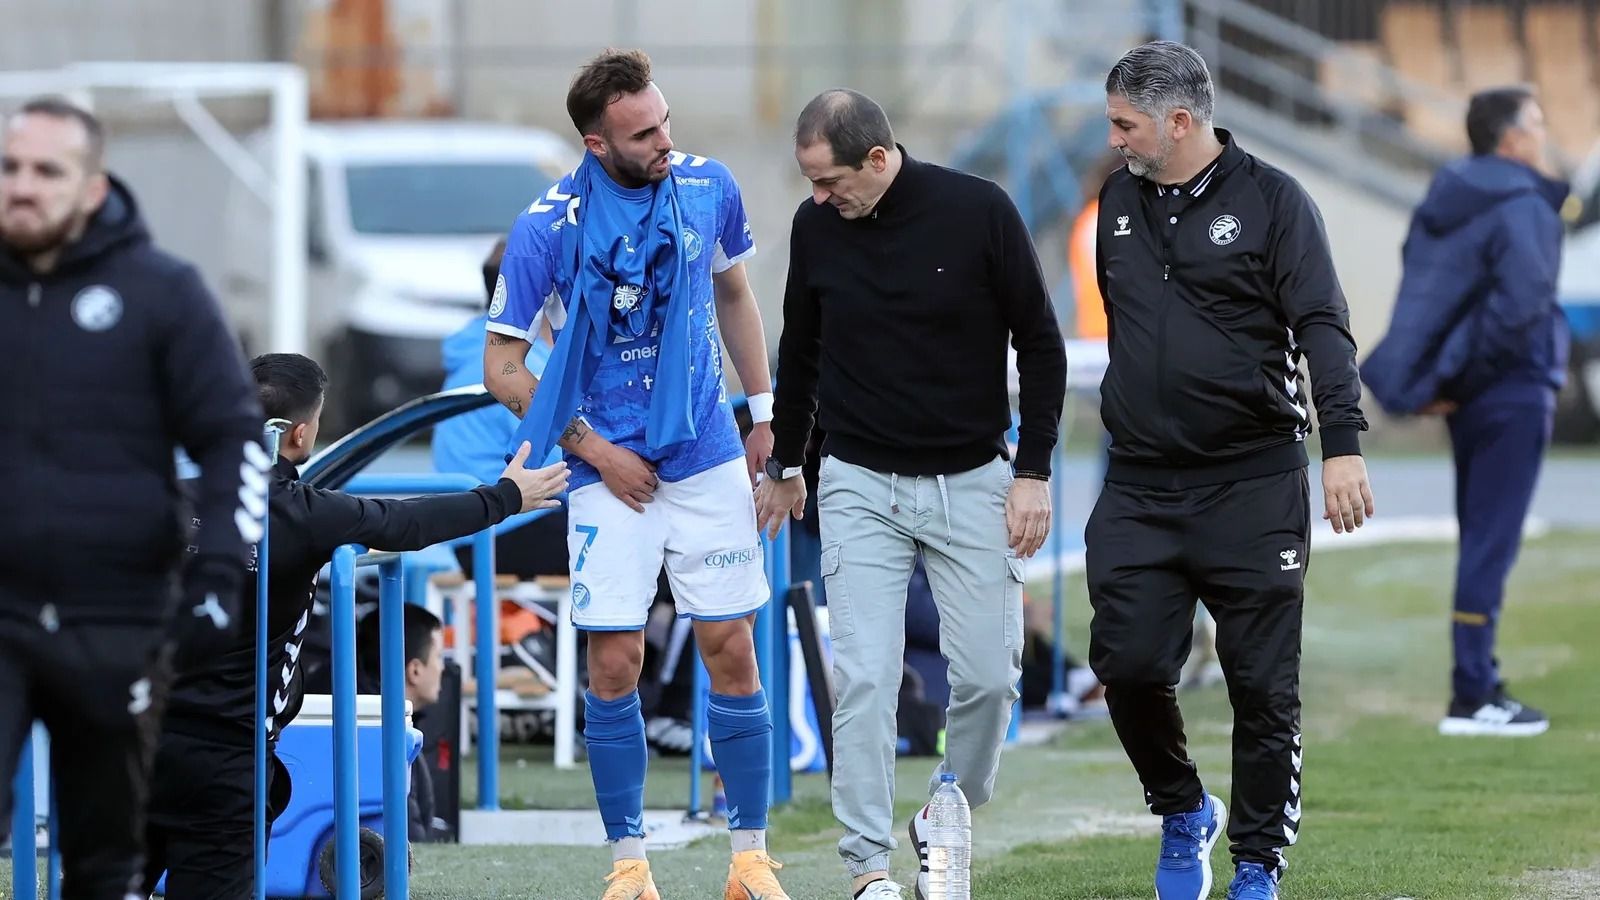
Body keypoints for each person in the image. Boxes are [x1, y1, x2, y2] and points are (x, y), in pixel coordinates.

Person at [481, 49, 789, 900]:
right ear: (594, 141)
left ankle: (749, 859)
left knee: (732, 648)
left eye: (665, 122)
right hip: (604, 469)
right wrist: (594, 451)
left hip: (704, 454)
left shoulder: (707, 185)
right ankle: (629, 867)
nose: (664, 141)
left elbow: (735, 294)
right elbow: (503, 369)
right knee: (613, 663)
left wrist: (762, 414)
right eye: (643, 133)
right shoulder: (548, 226)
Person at [755, 88, 1067, 899]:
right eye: (810, 183)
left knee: (993, 678)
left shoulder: (980, 213)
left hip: (974, 476)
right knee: (863, 675)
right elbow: (802, 353)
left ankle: (947, 809)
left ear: (880, 159)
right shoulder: (816, 227)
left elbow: (1041, 343)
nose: (819, 199)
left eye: (830, 182)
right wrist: (786, 465)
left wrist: (1032, 470)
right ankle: (867, 868)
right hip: (857, 482)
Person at [1091, 41, 1376, 900]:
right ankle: (1182, 809)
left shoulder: (1276, 202)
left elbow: (1324, 326)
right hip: (1140, 484)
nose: (1114, 141)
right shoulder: (1116, 200)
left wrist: (1344, 445)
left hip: (1253, 482)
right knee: (1129, 664)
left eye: (1125, 125)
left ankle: (1256, 866)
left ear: (1179, 122)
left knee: (1261, 687)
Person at [144, 352, 567, 900]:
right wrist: (506, 497)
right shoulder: (302, 513)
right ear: (298, 436)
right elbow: (406, 521)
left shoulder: (167, 500)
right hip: (229, 756)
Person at [0, 97, 266, 900]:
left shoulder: (162, 291)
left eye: (47, 171)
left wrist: (220, 572)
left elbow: (233, 437)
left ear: (91, 188)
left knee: (104, 857)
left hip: (117, 620)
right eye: (9, 169)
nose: (22, 186)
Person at [1361, 86, 1567, 738]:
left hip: (1471, 394)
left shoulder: (1449, 194)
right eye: (1536, 121)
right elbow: (1521, 307)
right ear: (1509, 139)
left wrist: (1444, 380)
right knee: (1490, 541)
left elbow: (1428, 288)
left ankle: (1477, 681)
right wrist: (1472, 376)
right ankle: (1474, 693)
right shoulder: (1523, 201)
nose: (1545, 133)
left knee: (1480, 535)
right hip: (1510, 388)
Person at [434, 236, 569, 579]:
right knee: (649, 540)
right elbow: (565, 468)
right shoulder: (519, 368)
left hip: (474, 532)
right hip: (508, 531)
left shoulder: (474, 354)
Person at [356, 602, 447, 841]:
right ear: (415, 670)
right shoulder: (379, 731)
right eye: (439, 657)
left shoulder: (368, 710)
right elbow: (409, 839)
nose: (443, 667)